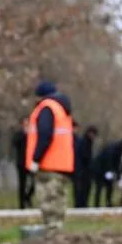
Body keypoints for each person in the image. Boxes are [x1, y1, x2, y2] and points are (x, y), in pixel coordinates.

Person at [25, 81, 76, 230]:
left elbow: (45, 135)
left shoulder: (47, 108)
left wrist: (36, 159)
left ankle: (51, 237)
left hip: (48, 165)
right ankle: (57, 235)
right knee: (58, 202)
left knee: (48, 202)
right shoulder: (62, 109)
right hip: (63, 164)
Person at [91, 137, 122, 207]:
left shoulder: (120, 150)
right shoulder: (114, 148)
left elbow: (117, 163)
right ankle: (96, 204)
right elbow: (109, 160)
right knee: (99, 187)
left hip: (107, 170)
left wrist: (118, 174)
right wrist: (111, 171)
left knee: (109, 186)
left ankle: (108, 202)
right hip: (99, 169)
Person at [73, 124, 99, 208]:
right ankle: (80, 204)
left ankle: (82, 204)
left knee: (85, 188)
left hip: (84, 170)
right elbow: (85, 157)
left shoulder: (86, 142)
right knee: (81, 188)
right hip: (82, 170)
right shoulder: (84, 142)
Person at [11, 126, 32, 209]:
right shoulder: (19, 135)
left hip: (31, 163)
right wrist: (24, 134)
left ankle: (27, 196)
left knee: (33, 184)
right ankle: (22, 205)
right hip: (22, 163)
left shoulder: (32, 134)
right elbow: (14, 143)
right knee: (22, 184)